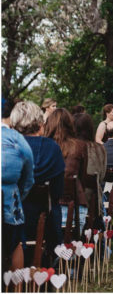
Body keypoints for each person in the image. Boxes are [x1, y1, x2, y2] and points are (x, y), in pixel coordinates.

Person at [11, 101, 64, 263]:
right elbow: (57, 192)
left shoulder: (8, 147)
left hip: (10, 225)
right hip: (45, 225)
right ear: (40, 124)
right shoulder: (52, 148)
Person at [43, 108, 88, 232]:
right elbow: (83, 176)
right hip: (75, 204)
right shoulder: (80, 145)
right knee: (72, 248)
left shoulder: (44, 146)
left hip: (48, 206)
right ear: (70, 124)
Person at [2, 99, 34, 273]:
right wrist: (17, 196)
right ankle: (16, 288)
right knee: (16, 245)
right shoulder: (16, 139)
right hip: (10, 206)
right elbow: (29, 178)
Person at [72, 112, 106, 230]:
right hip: (93, 199)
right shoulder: (100, 149)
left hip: (71, 198)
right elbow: (102, 176)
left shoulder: (70, 147)